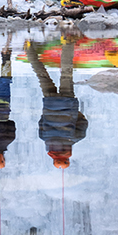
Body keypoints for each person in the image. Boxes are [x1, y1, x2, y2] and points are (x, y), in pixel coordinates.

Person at [28, 35, 89, 167]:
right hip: (49, 102)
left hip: (68, 102)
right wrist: (48, 111)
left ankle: (67, 42)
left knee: (66, 73)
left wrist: (75, 113)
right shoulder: (44, 138)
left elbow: (83, 122)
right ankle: (28, 49)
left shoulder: (75, 138)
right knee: (41, 75)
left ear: (67, 157)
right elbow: (41, 121)